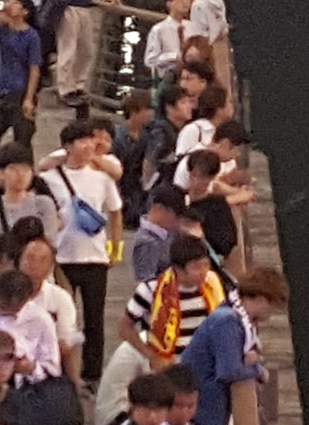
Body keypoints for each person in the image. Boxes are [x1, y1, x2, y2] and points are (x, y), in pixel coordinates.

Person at [95, 235, 221, 425]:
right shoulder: (151, 289)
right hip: (166, 365)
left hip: (201, 365)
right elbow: (125, 327)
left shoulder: (213, 286)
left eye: (205, 265)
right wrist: (151, 355)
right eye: (196, 267)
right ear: (179, 269)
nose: (203, 272)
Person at [41, 121, 124, 387]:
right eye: (81, 141)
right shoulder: (51, 178)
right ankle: (65, 370)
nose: (88, 145)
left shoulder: (102, 177)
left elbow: (115, 211)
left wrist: (116, 246)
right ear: (67, 146)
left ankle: (92, 374)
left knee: (94, 319)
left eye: (91, 140)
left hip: (95, 257)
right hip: (62, 259)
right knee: (63, 317)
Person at [179, 268, 290, 425]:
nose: (271, 312)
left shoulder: (235, 318)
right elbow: (229, 371)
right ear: (261, 298)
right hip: (201, 409)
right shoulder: (227, 321)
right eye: (272, 304)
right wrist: (258, 370)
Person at [0, 0, 42, 148]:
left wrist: (29, 97)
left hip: (20, 91)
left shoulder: (31, 36)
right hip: (3, 87)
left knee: (22, 138)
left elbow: (34, 68)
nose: (10, 5)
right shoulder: (4, 30)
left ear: (25, 11)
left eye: (15, 3)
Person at [17, 237, 83, 387]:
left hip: (49, 371)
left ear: (50, 268)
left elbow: (65, 343)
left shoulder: (61, 298)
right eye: (29, 258)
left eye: (41, 260)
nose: (33, 265)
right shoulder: (5, 292)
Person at [0, 145, 59, 246]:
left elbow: (50, 242)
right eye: (13, 169)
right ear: (1, 173)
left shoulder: (43, 204)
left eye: (25, 169)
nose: (21, 174)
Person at [174, 150, 237, 259]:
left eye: (203, 177)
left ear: (212, 178)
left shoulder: (218, 206)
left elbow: (227, 244)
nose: (197, 181)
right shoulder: (178, 200)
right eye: (194, 175)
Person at [132, 184, 189, 283]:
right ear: (159, 209)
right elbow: (145, 282)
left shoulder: (170, 235)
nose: (179, 222)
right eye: (177, 216)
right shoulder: (146, 242)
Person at [144, 0, 203, 79]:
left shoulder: (193, 28)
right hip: (168, 78)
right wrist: (174, 57)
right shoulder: (159, 29)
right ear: (169, 4)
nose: (185, 2)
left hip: (192, 78)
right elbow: (150, 61)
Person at [115, 89, 153, 228]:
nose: (150, 113)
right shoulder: (118, 137)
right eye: (147, 109)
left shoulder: (148, 135)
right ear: (135, 110)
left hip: (139, 188)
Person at [185, 0, 230, 90]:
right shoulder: (218, 0)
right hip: (222, 44)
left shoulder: (198, 4)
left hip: (205, 47)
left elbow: (198, 29)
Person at [145, 86, 193, 189]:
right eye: (183, 103)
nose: (189, 107)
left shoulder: (184, 130)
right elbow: (155, 160)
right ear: (169, 107)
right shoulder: (160, 132)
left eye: (190, 102)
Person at [174, 84, 231, 158]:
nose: (231, 106)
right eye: (229, 102)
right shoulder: (193, 130)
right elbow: (181, 160)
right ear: (219, 107)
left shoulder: (224, 131)